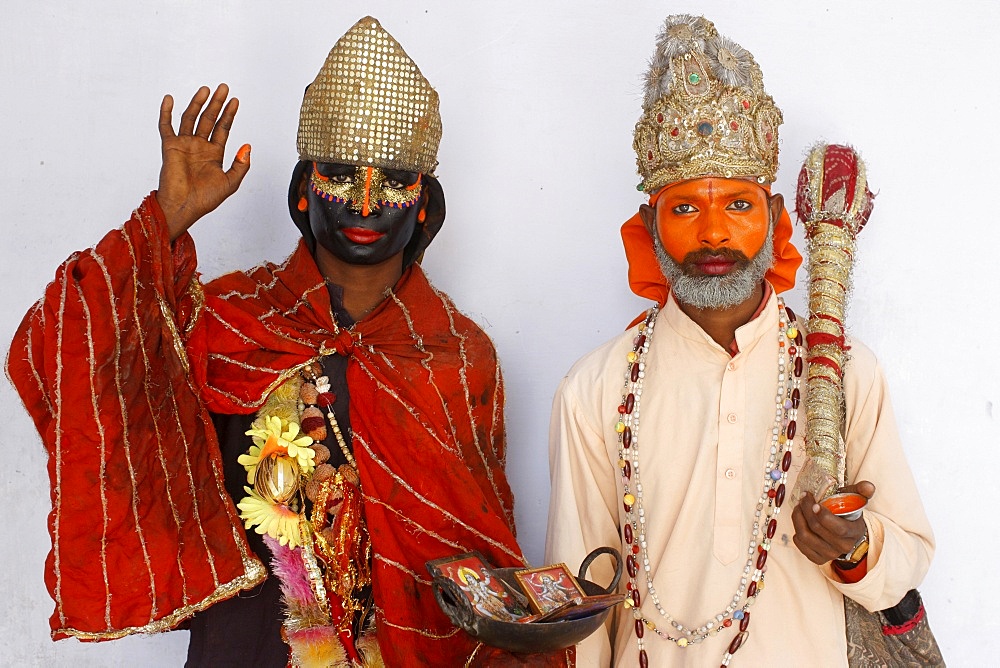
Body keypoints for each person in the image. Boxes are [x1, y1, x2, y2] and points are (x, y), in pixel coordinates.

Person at [7, 16, 570, 667]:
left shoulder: (461, 354)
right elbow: (63, 348)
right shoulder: (225, 320)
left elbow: (482, 549)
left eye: (393, 180)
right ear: (302, 195)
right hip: (247, 649)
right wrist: (166, 218)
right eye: (338, 174)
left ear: (424, 206)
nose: (364, 203)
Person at [544, 14, 934, 666]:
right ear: (650, 224)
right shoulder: (596, 388)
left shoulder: (844, 374)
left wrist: (855, 546)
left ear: (777, 216)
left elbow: (910, 553)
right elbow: (579, 609)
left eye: (739, 206)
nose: (715, 235)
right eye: (687, 207)